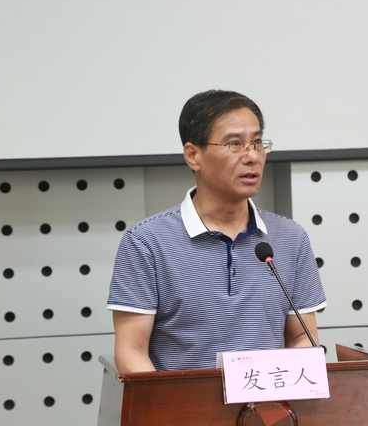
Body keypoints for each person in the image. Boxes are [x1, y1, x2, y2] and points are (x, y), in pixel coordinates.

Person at [107, 90, 327, 372]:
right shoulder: (146, 242)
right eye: (235, 144)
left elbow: (302, 338)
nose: (252, 156)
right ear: (193, 156)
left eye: (257, 143)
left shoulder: (291, 237)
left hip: (267, 398)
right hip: (184, 400)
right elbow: (131, 350)